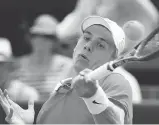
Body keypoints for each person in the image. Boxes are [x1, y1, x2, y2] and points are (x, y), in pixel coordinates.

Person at [0, 16, 132, 124]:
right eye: (86, 38)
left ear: (113, 57)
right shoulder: (63, 87)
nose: (88, 46)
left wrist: (94, 96)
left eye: (100, 45)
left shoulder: (115, 81)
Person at [6, 14, 73, 102]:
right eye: (36, 35)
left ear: (55, 41)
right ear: (30, 38)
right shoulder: (17, 65)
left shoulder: (67, 66)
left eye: (47, 37)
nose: (40, 41)